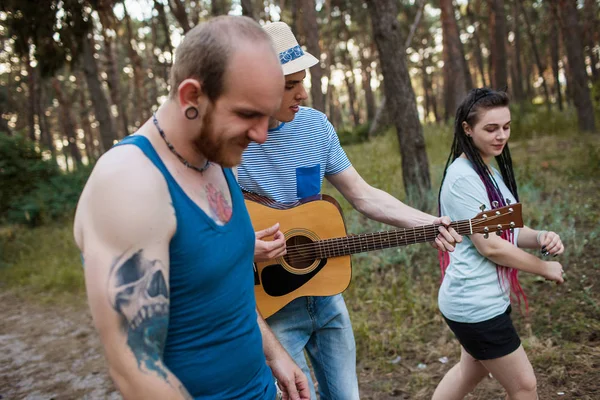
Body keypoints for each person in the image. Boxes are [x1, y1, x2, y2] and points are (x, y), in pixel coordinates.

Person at [73, 16, 309, 400]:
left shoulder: (215, 155)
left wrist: (275, 354)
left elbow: (222, 284)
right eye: (248, 115)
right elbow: (135, 368)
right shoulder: (129, 184)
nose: (261, 134)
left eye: (266, 115)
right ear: (191, 98)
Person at [236, 21, 462, 400]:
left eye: (302, 81)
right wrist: (245, 245)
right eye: (290, 85)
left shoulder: (316, 127)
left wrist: (429, 223)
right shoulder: (232, 146)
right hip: (270, 311)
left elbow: (363, 195)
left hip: (326, 296)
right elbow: (210, 230)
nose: (303, 93)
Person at [431, 88, 565, 400]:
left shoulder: (487, 168)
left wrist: (540, 237)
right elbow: (491, 246)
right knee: (524, 386)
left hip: (480, 297)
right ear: (468, 129)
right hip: (475, 303)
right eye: (491, 128)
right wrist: (544, 268)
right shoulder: (464, 177)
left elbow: (509, 231)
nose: (501, 136)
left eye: (506, 126)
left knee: (471, 370)